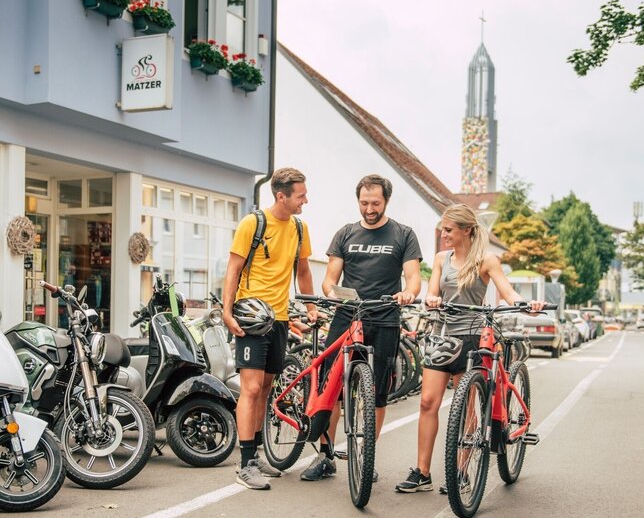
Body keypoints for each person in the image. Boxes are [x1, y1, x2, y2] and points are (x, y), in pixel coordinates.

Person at [395, 203, 544, 494]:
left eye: (449, 230)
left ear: (466, 230)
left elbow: (507, 291)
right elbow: (433, 292)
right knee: (427, 402)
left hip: (474, 338)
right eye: (443, 229)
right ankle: (422, 472)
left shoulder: (487, 260)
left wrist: (528, 305)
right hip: (444, 336)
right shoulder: (441, 258)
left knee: (466, 407)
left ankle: (461, 472)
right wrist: (433, 300)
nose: (444, 234)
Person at [301, 174, 422, 482]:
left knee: (378, 390)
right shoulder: (345, 233)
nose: (369, 209)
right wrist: (330, 290)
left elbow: (414, 278)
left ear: (387, 201)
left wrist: (409, 292)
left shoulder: (403, 234)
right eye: (364, 202)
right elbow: (330, 279)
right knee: (331, 387)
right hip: (347, 316)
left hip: (384, 317)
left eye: (375, 203)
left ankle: (366, 457)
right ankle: (325, 456)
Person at [223, 167, 319, 490]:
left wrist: (309, 305)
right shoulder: (253, 224)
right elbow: (233, 269)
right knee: (250, 388)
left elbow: (303, 270)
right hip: (251, 317)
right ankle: (244, 463)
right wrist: (226, 311)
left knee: (265, 387)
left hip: (278, 319)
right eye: (301, 195)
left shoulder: (300, 229)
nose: (305, 200)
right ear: (282, 196)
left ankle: (256, 454)